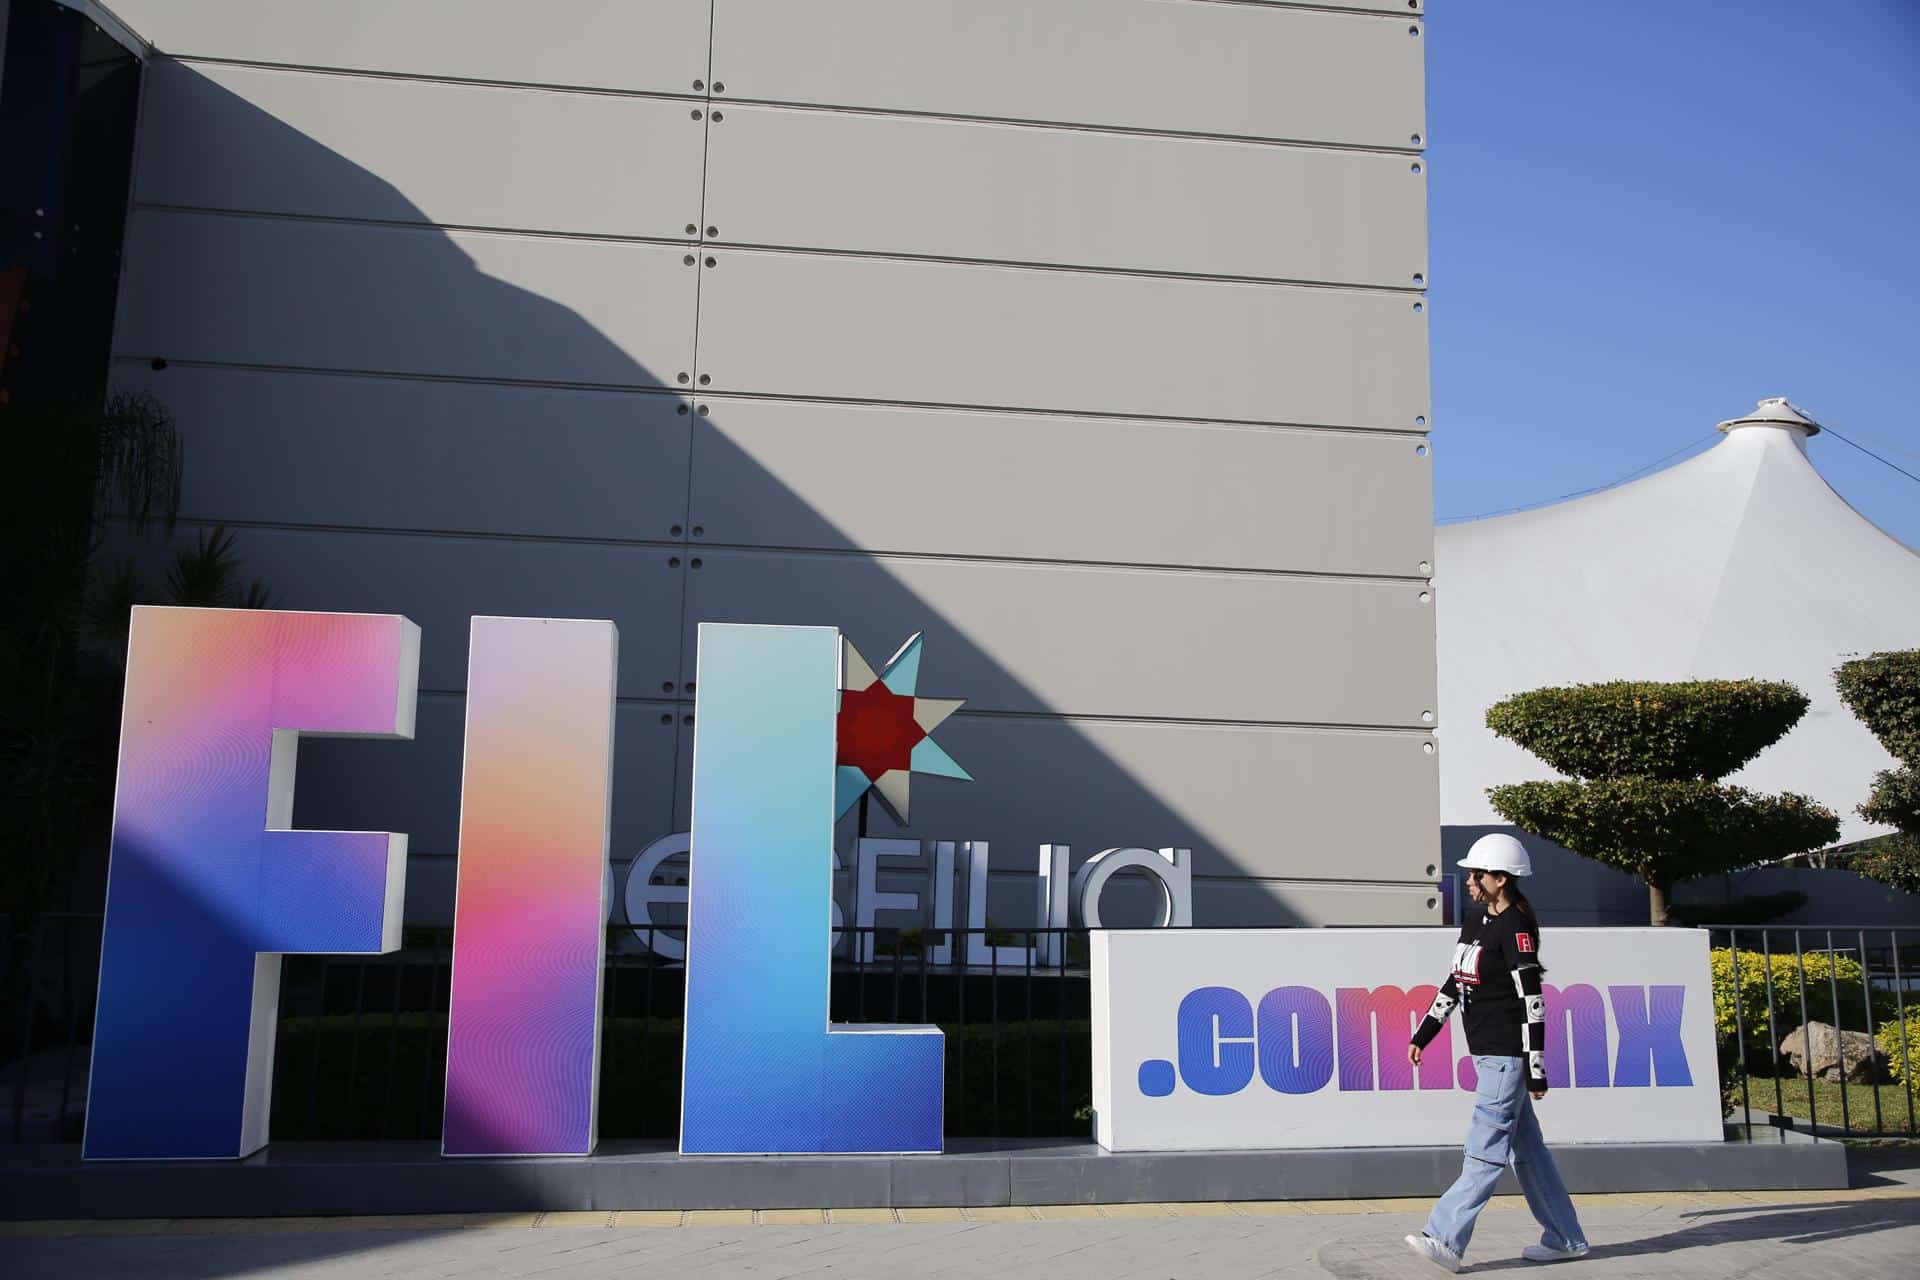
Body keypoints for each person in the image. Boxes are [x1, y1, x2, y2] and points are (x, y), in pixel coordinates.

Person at [1402, 833, 1589, 1272]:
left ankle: (1445, 1238)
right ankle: (1566, 1238)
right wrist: (1424, 1032)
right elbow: (1455, 981)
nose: (1469, 880)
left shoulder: (1517, 930)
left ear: (1500, 879)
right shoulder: (1475, 921)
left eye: (1476, 874)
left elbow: (1533, 1002)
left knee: (1484, 1149)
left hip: (1506, 1056)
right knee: (1529, 1154)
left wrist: (1536, 1070)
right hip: (1487, 1053)